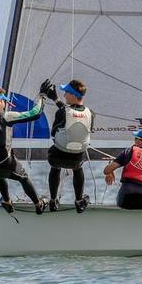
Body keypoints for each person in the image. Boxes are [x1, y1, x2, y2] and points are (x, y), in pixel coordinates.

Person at [0, 83, 48, 214]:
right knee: (23, 177)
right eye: (4, 101)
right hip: (6, 165)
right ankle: (38, 204)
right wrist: (42, 96)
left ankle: (6, 201)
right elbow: (35, 114)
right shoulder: (4, 115)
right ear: (0, 101)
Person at [46, 78, 93, 213]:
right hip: (76, 160)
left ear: (73, 95)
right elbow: (74, 114)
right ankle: (79, 201)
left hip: (57, 157)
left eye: (66, 92)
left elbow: (54, 132)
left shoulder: (61, 112)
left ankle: (53, 200)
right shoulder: (91, 114)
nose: (64, 95)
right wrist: (55, 99)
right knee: (78, 169)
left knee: (55, 168)